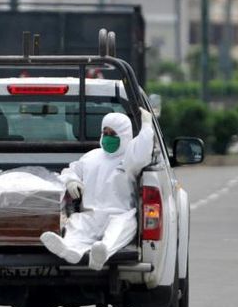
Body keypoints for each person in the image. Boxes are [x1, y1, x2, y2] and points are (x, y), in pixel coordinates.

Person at [40, 107, 154, 271]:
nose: (108, 137)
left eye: (113, 134)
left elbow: (143, 149)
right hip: (91, 214)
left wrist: (147, 125)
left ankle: (102, 253)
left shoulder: (130, 157)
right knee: (76, 225)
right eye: (105, 133)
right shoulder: (91, 156)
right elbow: (70, 171)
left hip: (120, 214)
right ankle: (70, 250)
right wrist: (71, 181)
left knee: (121, 229)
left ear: (125, 135)